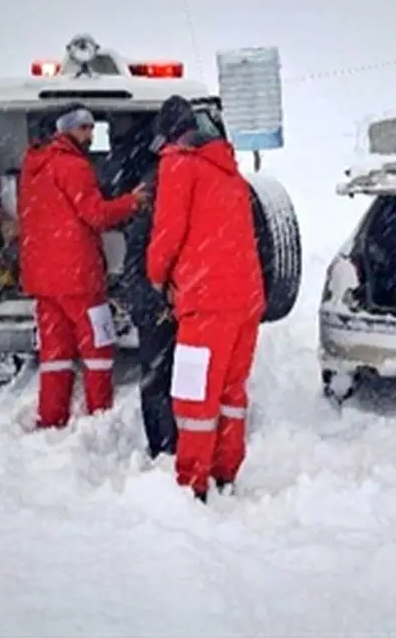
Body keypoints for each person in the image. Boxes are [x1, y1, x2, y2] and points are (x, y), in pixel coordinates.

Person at [146, 95, 265, 503]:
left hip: (206, 301)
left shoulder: (178, 165)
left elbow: (167, 235)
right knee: (231, 391)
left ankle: (192, 485)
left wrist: (157, 279)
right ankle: (225, 473)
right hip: (245, 301)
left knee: (194, 395)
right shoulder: (229, 172)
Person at [18, 105, 147, 430]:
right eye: (84, 128)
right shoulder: (74, 166)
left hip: (43, 279)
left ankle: (51, 419)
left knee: (55, 354)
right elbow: (97, 215)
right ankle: (99, 416)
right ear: (66, 131)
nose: (90, 135)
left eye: (91, 127)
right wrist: (133, 202)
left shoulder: (33, 165)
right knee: (98, 345)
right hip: (78, 277)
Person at [106, 121, 179, 460]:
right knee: (162, 375)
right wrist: (160, 296)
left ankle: (162, 443)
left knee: (156, 374)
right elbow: (154, 258)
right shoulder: (160, 195)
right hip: (153, 299)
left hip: (148, 296)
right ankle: (164, 446)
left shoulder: (151, 187)